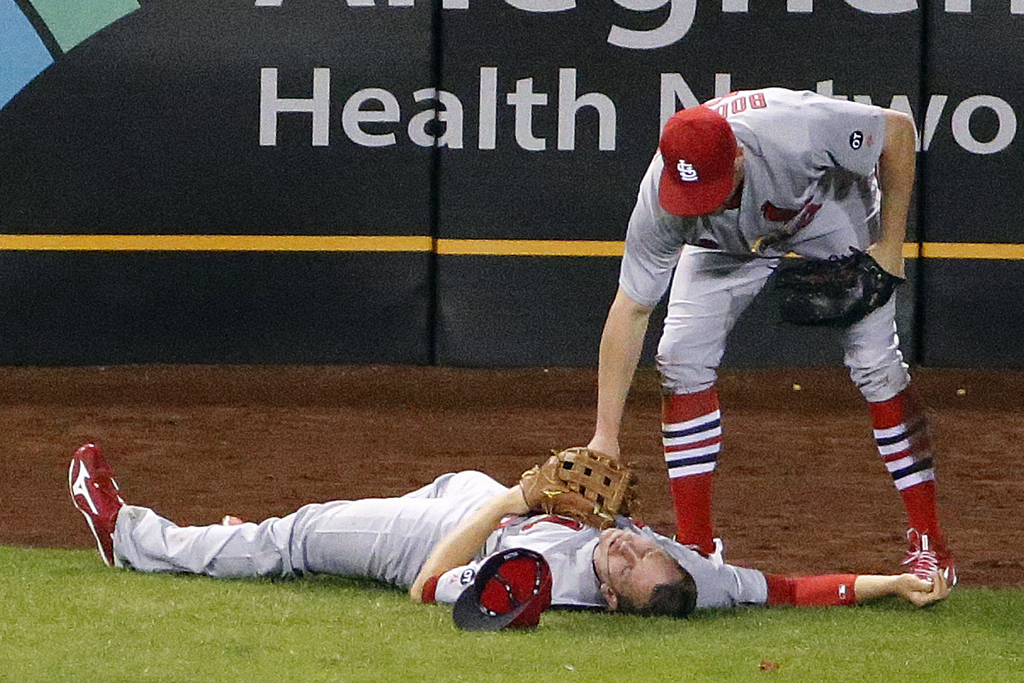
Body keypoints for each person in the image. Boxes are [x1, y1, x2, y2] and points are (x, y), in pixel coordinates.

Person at [584, 88, 955, 583]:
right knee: (679, 358)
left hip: (824, 210)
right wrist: (604, 435)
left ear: (738, 153)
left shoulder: (797, 128)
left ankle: (930, 542)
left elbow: (896, 130)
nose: (699, 199)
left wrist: (890, 244)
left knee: (875, 361)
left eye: (713, 185)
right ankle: (697, 549)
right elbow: (630, 309)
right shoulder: (663, 201)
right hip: (725, 243)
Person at [68, 442, 950, 624]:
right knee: (458, 476)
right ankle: (253, 543)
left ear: (606, 595)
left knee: (304, 533)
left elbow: (429, 586)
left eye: (626, 560)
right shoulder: (693, 578)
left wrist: (515, 502)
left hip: (454, 540)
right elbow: (790, 587)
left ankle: (132, 536)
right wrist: (890, 580)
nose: (635, 544)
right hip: (479, 496)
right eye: (645, 548)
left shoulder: (539, 580)